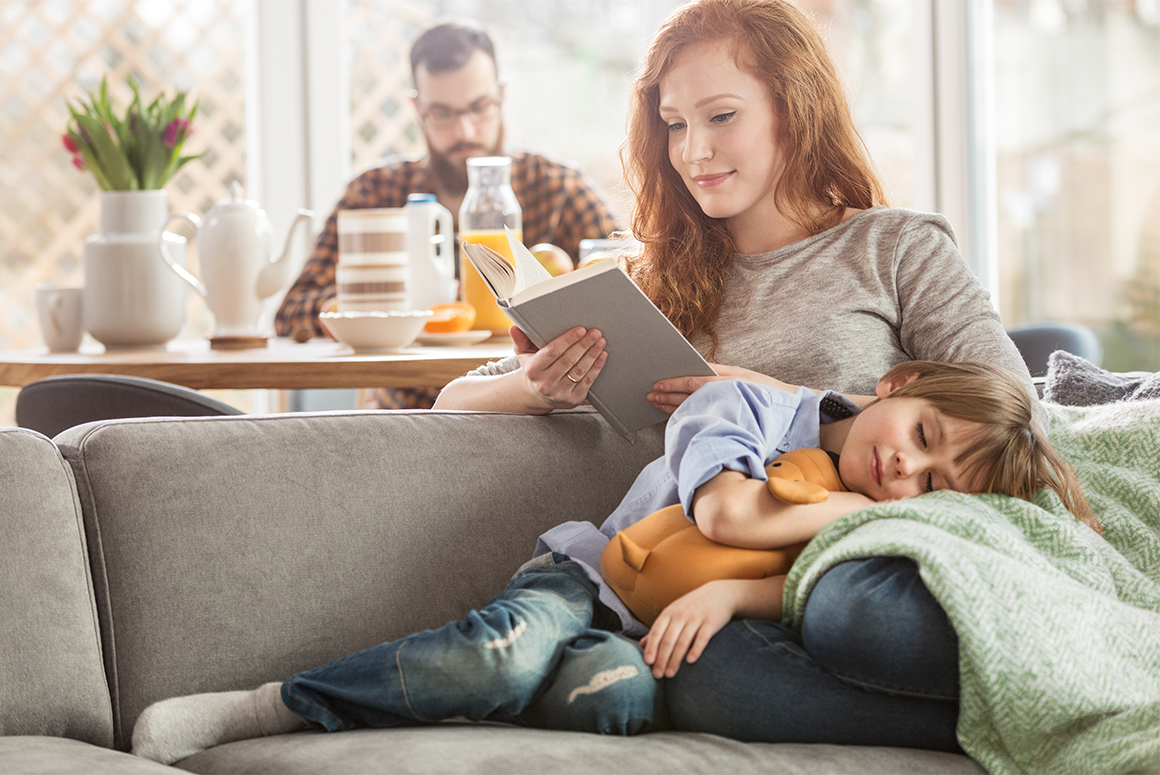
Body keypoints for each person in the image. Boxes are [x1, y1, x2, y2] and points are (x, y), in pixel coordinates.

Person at [429, 0, 1041, 752]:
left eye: (721, 117)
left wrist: (776, 394)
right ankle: (996, 727)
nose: (693, 152)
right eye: (675, 124)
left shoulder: (894, 248)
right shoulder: (645, 287)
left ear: (796, 109)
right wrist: (534, 386)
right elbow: (451, 399)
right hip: (714, 595)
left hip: (860, 569)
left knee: (851, 608)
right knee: (709, 673)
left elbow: (1021, 419)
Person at [129, 359, 1093, 765]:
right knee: (504, 653)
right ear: (901, 383)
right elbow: (725, 508)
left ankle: (464, 698)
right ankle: (279, 703)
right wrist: (849, 505)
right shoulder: (752, 408)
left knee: (617, 704)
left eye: (930, 483)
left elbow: (788, 593)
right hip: (589, 581)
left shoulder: (879, 530)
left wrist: (740, 590)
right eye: (920, 432)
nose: (904, 469)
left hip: (640, 638)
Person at [276, 17, 620, 409]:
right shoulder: (376, 193)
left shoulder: (557, 188)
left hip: (534, 417)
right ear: (417, 108)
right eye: (443, 113)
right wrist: (404, 304)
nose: (464, 130)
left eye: (479, 107)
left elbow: (630, 279)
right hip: (406, 413)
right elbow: (293, 311)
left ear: (502, 96)